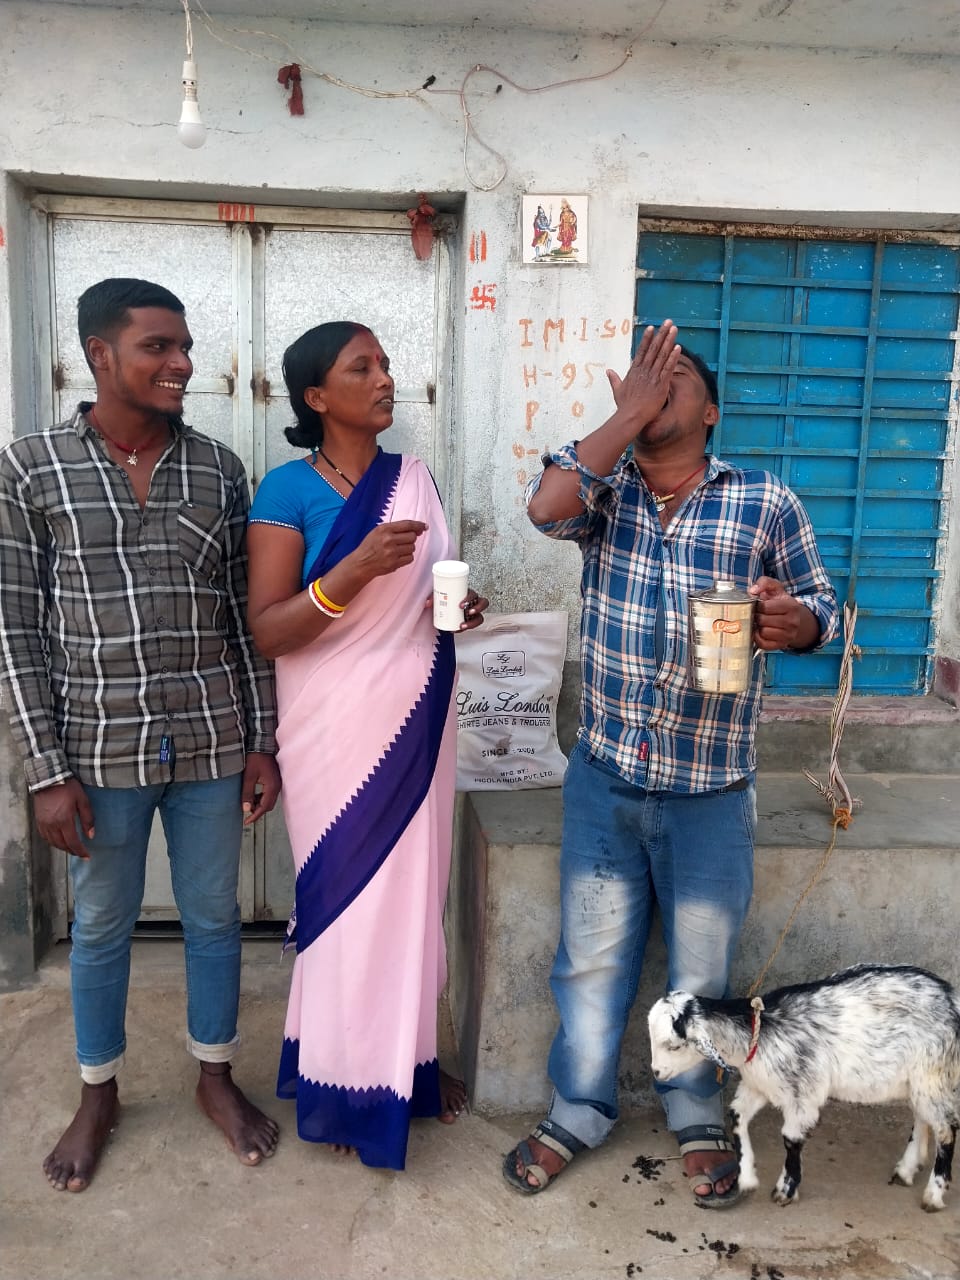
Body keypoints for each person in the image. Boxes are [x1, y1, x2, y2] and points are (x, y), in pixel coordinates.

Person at [503, 319, 838, 1207]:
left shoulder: (763, 499)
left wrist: (795, 621)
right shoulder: (603, 491)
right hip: (606, 780)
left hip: (711, 790)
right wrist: (625, 418)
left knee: (700, 973)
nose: (657, 387)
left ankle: (694, 1110)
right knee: (590, 964)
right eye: (644, 377)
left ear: (712, 411)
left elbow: (822, 605)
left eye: (676, 376)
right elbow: (543, 508)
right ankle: (578, 1109)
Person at [0, 277, 282, 1192]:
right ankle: (98, 1091)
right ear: (100, 353)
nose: (182, 364)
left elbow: (245, 619)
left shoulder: (218, 470)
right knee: (100, 927)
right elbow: (14, 630)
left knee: (214, 919)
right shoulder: (31, 468)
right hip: (96, 751)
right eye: (158, 346)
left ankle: (214, 1076)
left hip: (210, 741)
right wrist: (45, 772)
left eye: (184, 346)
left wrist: (263, 740)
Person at [246, 321, 488, 1171]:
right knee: (347, 901)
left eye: (386, 363)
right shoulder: (286, 490)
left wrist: (455, 611)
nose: (385, 378)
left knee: (412, 899)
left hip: (418, 713)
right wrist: (354, 572)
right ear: (317, 396)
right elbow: (271, 630)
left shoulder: (414, 480)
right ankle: (344, 1081)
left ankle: (407, 1066)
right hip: (333, 729)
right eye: (363, 367)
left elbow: (423, 603)